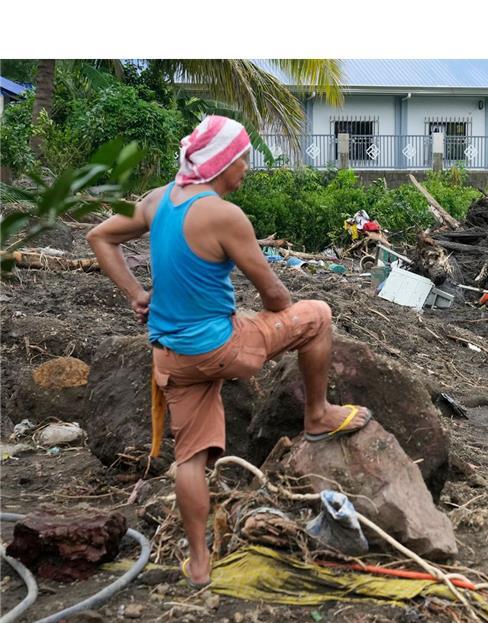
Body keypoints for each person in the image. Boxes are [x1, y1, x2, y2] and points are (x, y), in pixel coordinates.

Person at [87, 115, 373, 587]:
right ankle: (318, 414)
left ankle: (199, 564)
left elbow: (99, 236)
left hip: (170, 356)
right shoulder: (224, 215)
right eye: (245, 158)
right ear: (225, 160)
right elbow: (276, 297)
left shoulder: (158, 200)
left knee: (190, 460)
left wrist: (138, 295)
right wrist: (272, 309)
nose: (247, 168)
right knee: (317, 314)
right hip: (222, 348)